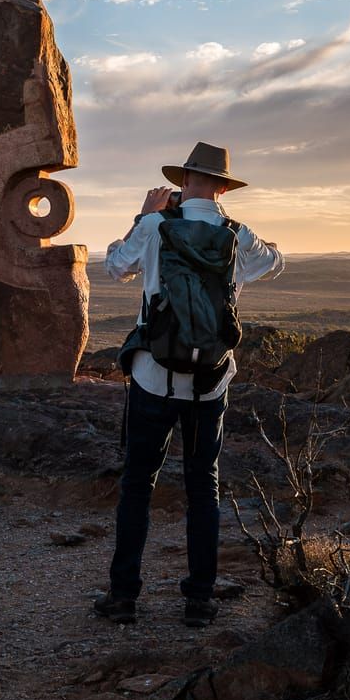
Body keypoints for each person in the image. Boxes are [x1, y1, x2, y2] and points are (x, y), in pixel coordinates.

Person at [94, 142, 283, 628]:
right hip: (210, 384)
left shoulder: (157, 227)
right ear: (223, 187)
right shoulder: (236, 235)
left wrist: (143, 216)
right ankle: (199, 599)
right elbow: (275, 262)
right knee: (204, 486)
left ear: (182, 182)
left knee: (138, 483)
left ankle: (123, 597)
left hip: (153, 377)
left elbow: (115, 266)